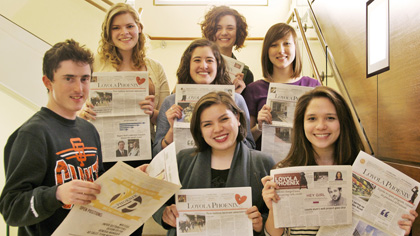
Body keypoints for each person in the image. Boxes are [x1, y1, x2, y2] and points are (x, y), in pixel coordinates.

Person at [261, 86, 418, 235]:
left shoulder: (363, 170)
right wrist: (274, 211)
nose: (321, 126)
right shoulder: (285, 170)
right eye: (312, 118)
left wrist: (397, 229)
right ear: (302, 124)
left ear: (343, 122)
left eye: (330, 118)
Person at [0, 39, 104, 235]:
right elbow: (11, 208)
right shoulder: (32, 134)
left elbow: (98, 184)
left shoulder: (89, 130)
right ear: (48, 82)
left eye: (85, 79)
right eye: (69, 78)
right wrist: (56, 194)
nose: (79, 89)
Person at [153, 91, 275, 236]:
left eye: (224, 119)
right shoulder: (182, 160)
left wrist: (261, 224)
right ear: (200, 130)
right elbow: (154, 203)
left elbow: (275, 214)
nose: (218, 129)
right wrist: (165, 215)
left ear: (237, 118)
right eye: (207, 124)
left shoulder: (263, 162)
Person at [78, 3, 170, 165]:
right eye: (116, 28)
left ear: (139, 28)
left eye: (129, 26)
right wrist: (82, 112)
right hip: (102, 147)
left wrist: (150, 112)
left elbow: (166, 120)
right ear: (108, 33)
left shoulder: (155, 68)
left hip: (143, 149)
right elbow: (76, 99)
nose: (124, 32)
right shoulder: (94, 63)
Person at [152, 38, 255, 156]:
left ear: (218, 65)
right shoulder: (170, 102)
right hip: (184, 171)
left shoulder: (236, 100)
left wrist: (233, 128)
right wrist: (171, 130)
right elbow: (156, 153)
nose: (204, 65)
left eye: (209, 60)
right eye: (197, 60)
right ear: (188, 65)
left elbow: (250, 147)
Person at [243, 23, 321, 150]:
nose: (281, 50)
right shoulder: (254, 89)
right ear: (267, 51)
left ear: (295, 47)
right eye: (274, 45)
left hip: (305, 159)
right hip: (266, 163)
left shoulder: (312, 86)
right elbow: (246, 141)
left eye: (287, 43)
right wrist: (260, 127)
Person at [201, 5, 253, 94]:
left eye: (230, 28)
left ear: (238, 32)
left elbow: (245, 108)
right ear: (210, 32)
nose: (224, 33)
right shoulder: (197, 65)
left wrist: (237, 96)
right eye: (218, 28)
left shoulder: (246, 74)